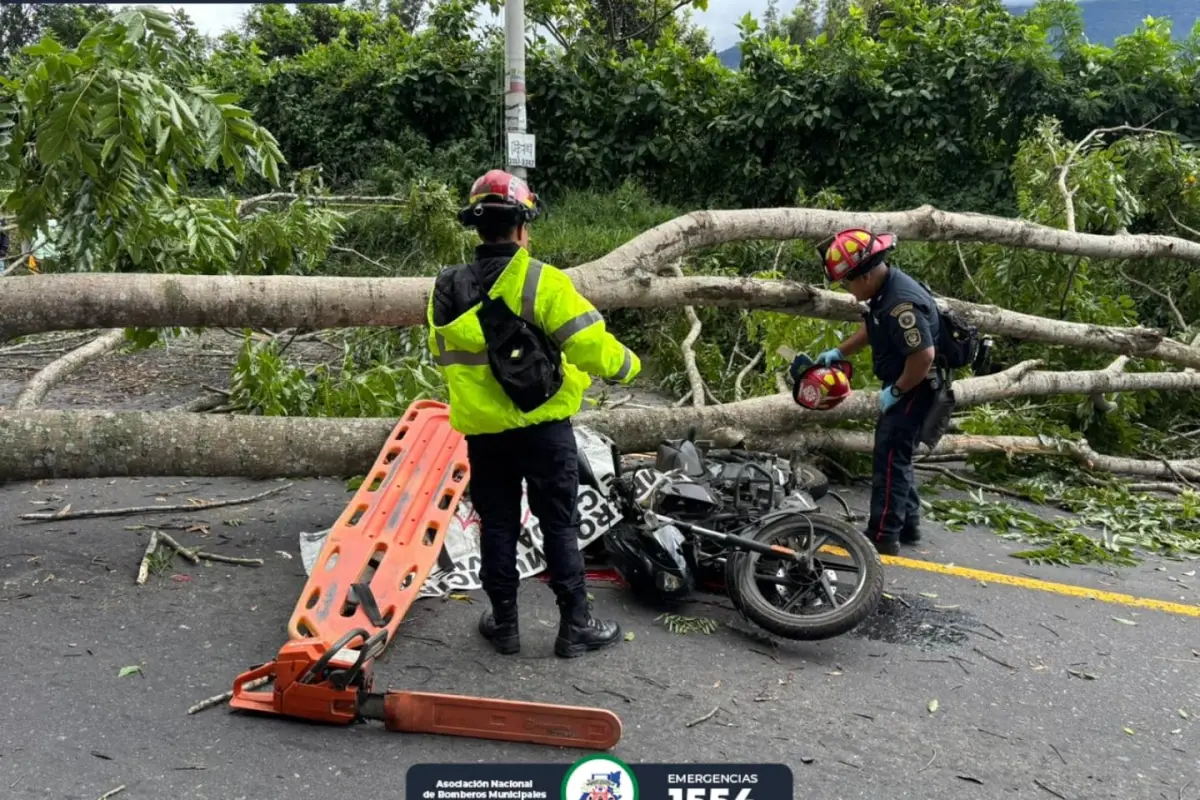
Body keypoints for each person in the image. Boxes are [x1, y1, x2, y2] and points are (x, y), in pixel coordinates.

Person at [426, 169, 642, 658]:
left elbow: (444, 357)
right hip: (544, 429)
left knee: (497, 526)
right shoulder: (543, 281)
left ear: (476, 227)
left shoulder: (444, 289)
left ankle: (504, 625)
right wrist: (627, 366)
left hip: (484, 435)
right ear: (522, 227)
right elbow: (592, 347)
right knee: (559, 525)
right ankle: (575, 626)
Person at [793, 229, 939, 556]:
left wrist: (897, 392)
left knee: (889, 458)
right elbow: (873, 328)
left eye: (848, 282)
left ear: (868, 274)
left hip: (916, 384)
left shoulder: (902, 305)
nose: (846, 288)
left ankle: (883, 535)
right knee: (897, 455)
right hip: (908, 380)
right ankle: (907, 523)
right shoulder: (883, 294)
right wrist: (839, 352)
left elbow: (923, 356)